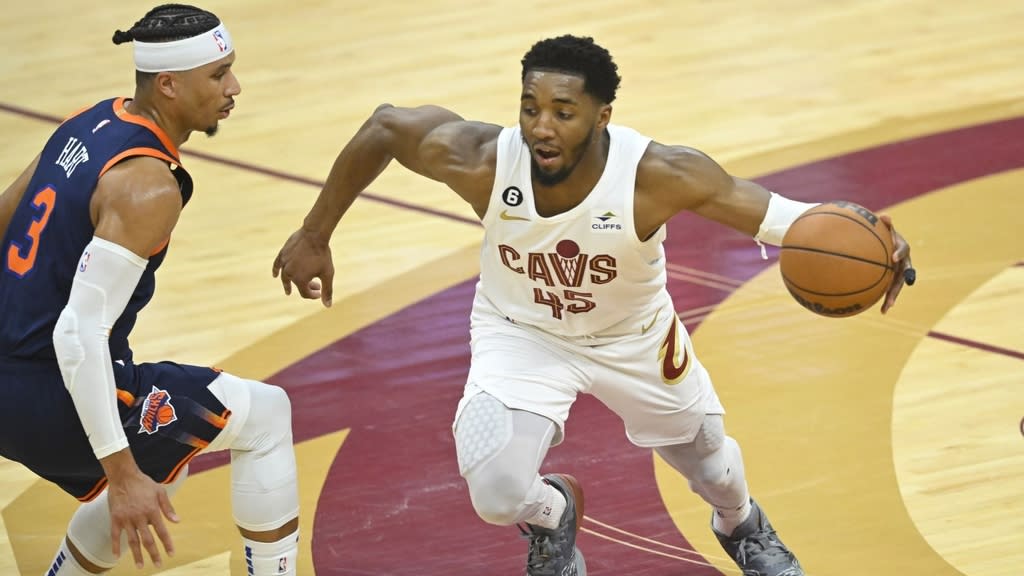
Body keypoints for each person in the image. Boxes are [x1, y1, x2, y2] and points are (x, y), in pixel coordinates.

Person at [273, 35, 913, 576]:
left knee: (711, 464)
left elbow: (778, 217)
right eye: (529, 107)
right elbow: (384, 126)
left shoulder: (657, 175)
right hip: (520, 333)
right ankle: (554, 515)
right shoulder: (481, 160)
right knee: (496, 494)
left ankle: (744, 527)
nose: (541, 127)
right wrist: (314, 233)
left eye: (562, 111)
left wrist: (874, 240)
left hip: (633, 338)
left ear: (602, 116)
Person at [0, 5, 301, 575]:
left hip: (9, 377)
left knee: (169, 454)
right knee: (265, 415)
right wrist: (121, 473)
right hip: (47, 391)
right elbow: (78, 334)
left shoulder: (86, 122)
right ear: (168, 84)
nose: (234, 87)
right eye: (218, 75)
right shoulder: (147, 185)